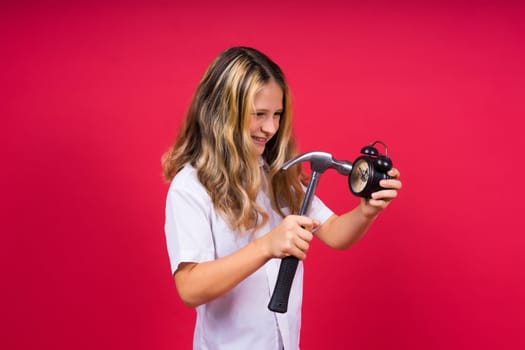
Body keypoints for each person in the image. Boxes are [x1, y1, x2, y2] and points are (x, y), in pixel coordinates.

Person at [162, 46, 402, 350]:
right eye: (259, 115)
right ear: (222, 112)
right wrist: (266, 246)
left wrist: (367, 210)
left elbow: (336, 233)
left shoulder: (276, 175)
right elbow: (190, 287)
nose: (271, 128)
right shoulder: (190, 187)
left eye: (277, 114)